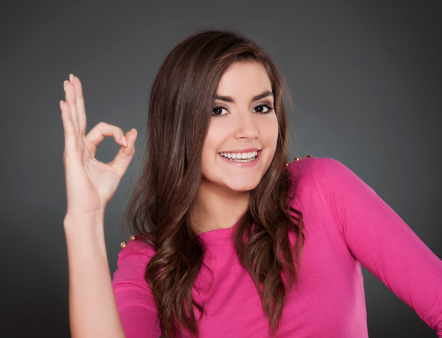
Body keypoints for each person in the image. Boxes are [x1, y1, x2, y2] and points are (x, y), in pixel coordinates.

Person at [60, 30, 442, 337]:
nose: (249, 132)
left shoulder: (323, 188)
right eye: (218, 110)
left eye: (261, 108)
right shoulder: (148, 262)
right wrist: (85, 218)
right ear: (178, 126)